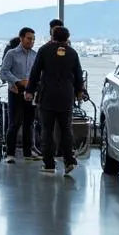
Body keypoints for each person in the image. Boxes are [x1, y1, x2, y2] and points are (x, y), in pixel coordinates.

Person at [26, 25, 84, 176]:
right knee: (66, 130)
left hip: (47, 97)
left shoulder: (44, 50)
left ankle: (49, 164)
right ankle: (69, 161)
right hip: (66, 97)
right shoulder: (72, 53)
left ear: (52, 36)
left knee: (47, 131)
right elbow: (78, 75)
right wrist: (79, 92)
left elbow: (35, 72)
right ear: (67, 38)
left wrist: (30, 90)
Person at [0, 26, 38, 162]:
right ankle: (10, 153)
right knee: (14, 123)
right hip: (16, 91)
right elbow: (4, 72)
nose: (31, 41)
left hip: (30, 93)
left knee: (29, 123)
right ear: (21, 38)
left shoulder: (35, 55)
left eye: (33, 39)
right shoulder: (12, 54)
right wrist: (17, 81)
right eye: (29, 39)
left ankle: (28, 152)